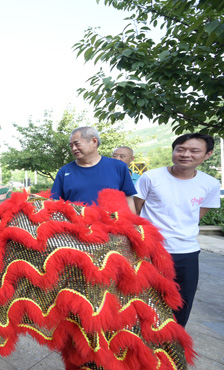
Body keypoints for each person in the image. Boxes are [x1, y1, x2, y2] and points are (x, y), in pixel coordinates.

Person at [134, 133, 220, 327]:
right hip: (151, 250)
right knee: (142, 299)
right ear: (173, 151)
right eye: (180, 149)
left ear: (207, 154)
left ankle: (171, 346)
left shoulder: (210, 184)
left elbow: (195, 216)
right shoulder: (151, 177)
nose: (185, 154)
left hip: (186, 253)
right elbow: (136, 210)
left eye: (194, 151)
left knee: (181, 303)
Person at [50, 126, 136, 212]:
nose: (74, 149)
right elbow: (54, 204)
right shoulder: (64, 172)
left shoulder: (119, 167)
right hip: (76, 224)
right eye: (71, 145)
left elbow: (128, 200)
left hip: (112, 224)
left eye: (77, 144)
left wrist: (134, 223)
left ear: (94, 141)